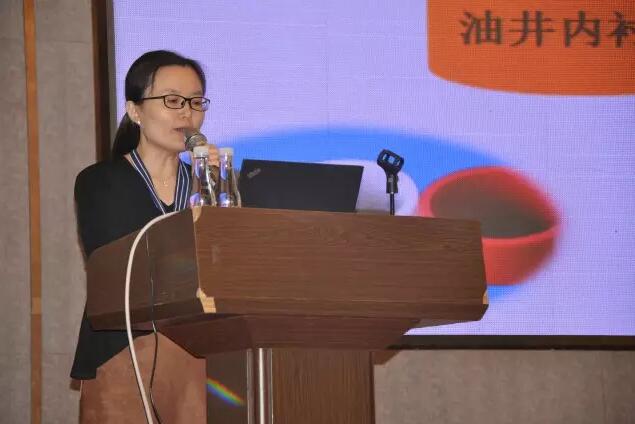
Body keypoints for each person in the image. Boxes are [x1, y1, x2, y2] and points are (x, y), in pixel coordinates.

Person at [71, 50, 218, 423]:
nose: (187, 113)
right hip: (123, 349)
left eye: (195, 101)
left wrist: (216, 188)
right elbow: (122, 265)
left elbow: (228, 261)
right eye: (172, 100)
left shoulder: (210, 184)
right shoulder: (100, 182)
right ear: (135, 111)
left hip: (201, 352)